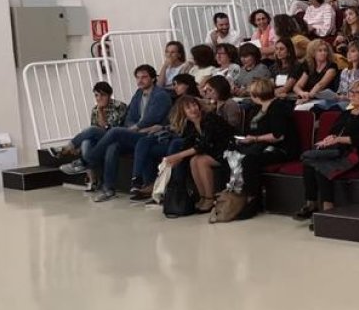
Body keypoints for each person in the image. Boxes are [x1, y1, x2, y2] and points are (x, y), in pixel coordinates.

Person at [62, 64, 176, 199]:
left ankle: (87, 161)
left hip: (151, 134)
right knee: (111, 145)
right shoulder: (139, 93)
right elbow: (130, 117)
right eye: (138, 77)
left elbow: (152, 118)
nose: (140, 80)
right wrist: (132, 127)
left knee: (114, 132)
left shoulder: (161, 95)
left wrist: (135, 128)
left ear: (153, 78)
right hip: (136, 132)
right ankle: (108, 189)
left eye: (144, 77)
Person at [293, 79, 359, 220]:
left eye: (357, 92)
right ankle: (311, 203)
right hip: (340, 150)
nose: (352, 95)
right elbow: (335, 131)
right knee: (309, 163)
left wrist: (338, 139)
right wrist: (329, 139)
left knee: (321, 168)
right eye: (351, 91)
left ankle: (328, 209)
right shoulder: (347, 113)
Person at [235, 78, 299, 214]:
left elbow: (278, 136)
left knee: (249, 160)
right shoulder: (257, 108)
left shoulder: (278, 107)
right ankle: (234, 195)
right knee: (231, 153)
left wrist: (255, 139)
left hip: (281, 148)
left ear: (256, 94)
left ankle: (253, 200)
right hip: (260, 145)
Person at [163, 94, 233, 213]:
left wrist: (179, 155)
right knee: (193, 160)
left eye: (194, 105)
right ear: (183, 112)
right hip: (214, 152)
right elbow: (189, 144)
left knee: (201, 160)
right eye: (188, 107)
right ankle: (203, 197)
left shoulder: (210, 119)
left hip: (229, 151)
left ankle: (210, 198)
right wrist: (178, 158)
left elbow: (204, 145)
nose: (193, 109)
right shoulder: (190, 124)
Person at [58, 82, 127, 192]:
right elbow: (92, 134)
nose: (99, 98)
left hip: (116, 137)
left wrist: (100, 111)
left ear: (110, 95)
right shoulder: (95, 109)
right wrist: (80, 147)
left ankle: (71, 151)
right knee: (86, 142)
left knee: (91, 130)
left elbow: (110, 129)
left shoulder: (119, 106)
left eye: (102, 95)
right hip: (101, 140)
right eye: (96, 95)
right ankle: (92, 179)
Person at [293, 39, 340, 110]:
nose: (323, 53)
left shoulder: (332, 66)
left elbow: (320, 85)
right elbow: (297, 86)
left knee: (300, 108)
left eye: (325, 50)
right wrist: (302, 93)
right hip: (310, 98)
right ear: (313, 53)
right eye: (320, 50)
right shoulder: (309, 66)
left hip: (325, 99)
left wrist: (308, 97)